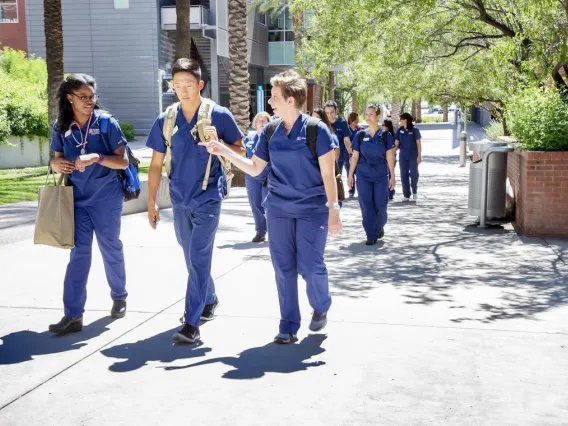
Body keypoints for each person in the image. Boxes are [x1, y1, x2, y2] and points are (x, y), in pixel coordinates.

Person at [200, 70, 342, 344]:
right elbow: (254, 169)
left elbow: (328, 174)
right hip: (277, 208)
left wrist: (334, 210)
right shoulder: (270, 131)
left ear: (290, 100)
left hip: (312, 210)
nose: (270, 103)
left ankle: (321, 303)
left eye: (275, 97)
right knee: (283, 267)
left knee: (311, 266)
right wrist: (223, 151)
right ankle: (288, 325)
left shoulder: (316, 130)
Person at [146, 58, 244, 344]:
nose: (183, 90)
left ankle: (191, 323)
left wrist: (220, 143)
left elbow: (240, 151)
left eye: (188, 85)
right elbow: (155, 165)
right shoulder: (166, 119)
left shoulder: (219, 114)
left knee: (199, 258)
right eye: (177, 85)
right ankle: (209, 298)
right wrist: (151, 202)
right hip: (179, 199)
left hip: (209, 197)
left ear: (200, 84)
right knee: (191, 256)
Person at [48, 74, 130, 335]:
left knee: (110, 246)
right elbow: (55, 159)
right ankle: (73, 315)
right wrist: (56, 164)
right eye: (83, 97)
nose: (89, 101)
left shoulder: (106, 123)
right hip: (77, 200)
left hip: (106, 198)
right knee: (79, 255)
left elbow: (123, 162)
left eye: (92, 96)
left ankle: (119, 295)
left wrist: (97, 157)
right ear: (69, 98)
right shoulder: (61, 126)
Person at [348, 105, 396, 245]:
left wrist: (392, 176)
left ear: (377, 116)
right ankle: (371, 234)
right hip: (363, 175)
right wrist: (351, 174)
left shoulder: (386, 135)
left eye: (371, 114)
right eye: (366, 114)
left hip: (381, 175)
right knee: (366, 204)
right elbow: (355, 156)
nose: (368, 117)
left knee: (381, 205)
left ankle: (379, 225)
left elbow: (390, 156)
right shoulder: (360, 135)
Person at [244, 112, 271, 242]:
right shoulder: (248, 140)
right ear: (255, 124)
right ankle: (260, 232)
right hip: (252, 177)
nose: (261, 123)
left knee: (268, 204)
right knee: (255, 204)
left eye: (264, 121)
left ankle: (273, 231)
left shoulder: (272, 138)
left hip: (268, 177)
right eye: (259, 121)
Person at [324, 101, 354, 197]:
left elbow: (346, 140)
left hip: (338, 160)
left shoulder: (342, 123)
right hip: (324, 158)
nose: (329, 115)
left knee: (336, 181)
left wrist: (351, 154)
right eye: (327, 113)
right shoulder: (322, 123)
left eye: (332, 112)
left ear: (336, 110)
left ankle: (336, 202)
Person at [395, 112, 422, 202]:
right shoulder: (399, 130)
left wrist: (419, 156)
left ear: (405, 120)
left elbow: (418, 144)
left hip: (413, 156)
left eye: (401, 119)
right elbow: (396, 144)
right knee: (404, 175)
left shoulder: (415, 130)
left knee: (414, 174)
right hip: (403, 156)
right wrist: (391, 153)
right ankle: (406, 194)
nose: (400, 121)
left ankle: (414, 191)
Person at [383, 119, 396, 201]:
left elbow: (394, 147)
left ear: (387, 126)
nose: (382, 126)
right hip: (384, 158)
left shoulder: (390, 135)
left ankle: (390, 192)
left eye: (383, 125)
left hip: (390, 158)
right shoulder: (382, 134)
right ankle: (389, 192)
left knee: (390, 175)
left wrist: (392, 155)